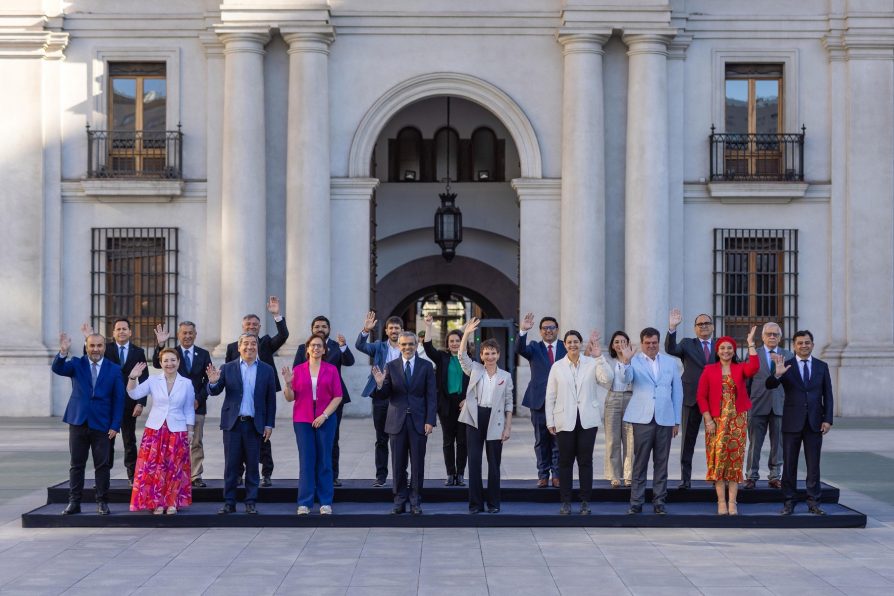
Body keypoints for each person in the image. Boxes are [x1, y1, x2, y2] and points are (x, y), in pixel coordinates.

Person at [52, 331, 125, 515]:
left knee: (102, 465)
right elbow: (58, 369)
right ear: (86, 346)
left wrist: (115, 425)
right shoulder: (77, 364)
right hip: (78, 422)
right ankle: (74, 502)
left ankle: (102, 502)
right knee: (76, 464)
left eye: (99, 345)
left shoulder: (114, 369)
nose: (95, 349)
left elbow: (119, 400)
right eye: (92, 345)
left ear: (104, 347)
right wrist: (62, 352)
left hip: (102, 425)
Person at [766, 330, 834, 516]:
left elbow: (828, 395)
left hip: (814, 423)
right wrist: (777, 374)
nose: (804, 346)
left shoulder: (822, 366)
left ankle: (814, 503)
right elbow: (769, 385)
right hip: (791, 422)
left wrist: (827, 419)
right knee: (789, 465)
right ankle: (789, 502)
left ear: (812, 344)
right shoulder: (785, 366)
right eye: (800, 343)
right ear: (794, 346)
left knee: (813, 465)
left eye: (807, 342)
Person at [208, 333, 277, 515]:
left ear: (257, 347)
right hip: (233, 425)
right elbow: (215, 391)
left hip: (255, 425)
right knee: (231, 465)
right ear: (239, 347)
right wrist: (212, 382)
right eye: (245, 344)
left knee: (253, 465)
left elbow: (271, 400)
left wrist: (269, 424)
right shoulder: (228, 368)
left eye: (253, 343)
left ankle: (250, 501)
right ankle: (229, 502)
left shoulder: (267, 370)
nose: (249, 347)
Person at [370, 331, 437, 515]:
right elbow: (385, 395)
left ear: (417, 345)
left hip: (419, 423)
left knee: (417, 465)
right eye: (404, 344)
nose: (407, 347)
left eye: (411, 344)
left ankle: (415, 501)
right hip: (396, 422)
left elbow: (431, 396)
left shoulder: (426, 366)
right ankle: (399, 500)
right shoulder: (390, 366)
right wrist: (380, 384)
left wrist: (430, 420)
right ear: (399, 346)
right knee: (398, 464)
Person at [224, 296, 288, 487]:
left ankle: (266, 473)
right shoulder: (232, 348)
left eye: (255, 324)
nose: (251, 327)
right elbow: (228, 371)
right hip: (240, 399)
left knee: (263, 437)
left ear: (259, 328)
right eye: (248, 324)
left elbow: (283, 335)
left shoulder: (267, 343)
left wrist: (277, 315)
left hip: (262, 396)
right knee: (240, 441)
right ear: (243, 327)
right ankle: (238, 474)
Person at [546, 330, 612, 515]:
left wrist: (600, 357)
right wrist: (550, 420)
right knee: (565, 462)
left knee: (585, 462)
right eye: (569, 342)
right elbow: (550, 395)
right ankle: (565, 501)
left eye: (576, 341)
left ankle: (585, 501)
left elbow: (607, 379)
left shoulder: (592, 363)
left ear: (581, 344)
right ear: (564, 345)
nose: (573, 345)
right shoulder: (557, 366)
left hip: (587, 420)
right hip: (564, 419)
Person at [620, 327, 683, 515]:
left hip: (665, 418)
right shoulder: (634, 361)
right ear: (642, 343)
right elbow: (625, 380)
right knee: (639, 462)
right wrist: (626, 361)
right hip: (642, 418)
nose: (651, 346)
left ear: (658, 342)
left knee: (661, 462)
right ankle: (636, 502)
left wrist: (676, 421)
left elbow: (677, 393)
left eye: (654, 343)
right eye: (647, 343)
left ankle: (659, 501)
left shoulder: (670, 363)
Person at [695, 329, 759, 515]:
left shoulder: (740, 368)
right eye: (722, 348)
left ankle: (733, 502)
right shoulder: (709, 370)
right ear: (717, 351)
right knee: (718, 460)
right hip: (715, 421)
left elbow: (754, 367)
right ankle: (721, 501)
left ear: (734, 350)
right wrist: (708, 419)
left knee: (735, 461)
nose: (726, 351)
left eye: (729, 348)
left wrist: (751, 343)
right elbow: (701, 396)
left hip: (737, 420)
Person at [126, 351, 195, 514]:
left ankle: (172, 503)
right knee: (154, 467)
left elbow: (189, 408)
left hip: (177, 430)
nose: (169, 364)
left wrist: (190, 431)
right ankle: (156, 502)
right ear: (161, 362)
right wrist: (132, 378)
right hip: (155, 430)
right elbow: (133, 394)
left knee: (174, 467)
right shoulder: (153, 380)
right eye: (165, 361)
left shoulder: (186, 383)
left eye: (173, 360)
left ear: (178, 362)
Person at [82, 318, 149, 486]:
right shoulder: (107, 349)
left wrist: (141, 402)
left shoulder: (138, 352)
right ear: (113, 333)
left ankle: (132, 475)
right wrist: (87, 342)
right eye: (118, 329)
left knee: (129, 440)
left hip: (129, 404)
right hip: (107, 404)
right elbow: (90, 361)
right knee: (106, 441)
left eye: (124, 328)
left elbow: (145, 379)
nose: (121, 331)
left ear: (130, 332)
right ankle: (104, 476)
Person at [456, 318, 513, 513]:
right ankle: (475, 504)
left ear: (498, 355)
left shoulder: (505, 376)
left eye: (493, 353)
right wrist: (466, 334)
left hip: (495, 420)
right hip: (474, 417)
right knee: (474, 462)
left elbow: (508, 403)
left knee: (494, 465)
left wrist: (508, 427)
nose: (490, 356)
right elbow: (461, 355)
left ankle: (493, 504)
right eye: (486, 353)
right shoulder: (475, 370)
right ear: (481, 355)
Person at [282, 334, 343, 515]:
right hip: (303, 418)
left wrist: (324, 415)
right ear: (307, 349)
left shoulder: (331, 369)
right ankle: (305, 503)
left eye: (319, 346)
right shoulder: (298, 370)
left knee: (324, 460)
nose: (316, 348)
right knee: (307, 461)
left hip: (325, 418)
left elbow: (338, 396)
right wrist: (288, 384)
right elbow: (290, 398)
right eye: (312, 345)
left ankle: (325, 502)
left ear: (324, 350)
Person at [292, 316, 355, 487]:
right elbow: (296, 371)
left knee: (332, 438)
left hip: (333, 400)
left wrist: (344, 347)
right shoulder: (302, 348)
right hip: (308, 401)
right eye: (317, 326)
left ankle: (332, 475)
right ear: (312, 329)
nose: (321, 328)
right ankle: (310, 476)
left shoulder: (336, 346)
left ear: (329, 329)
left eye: (324, 326)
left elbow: (350, 362)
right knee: (309, 444)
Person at [152, 321, 212, 488]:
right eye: (184, 333)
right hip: (174, 407)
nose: (187, 336)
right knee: (174, 442)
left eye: (190, 333)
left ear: (195, 334)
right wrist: (161, 345)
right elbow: (157, 363)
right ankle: (175, 474)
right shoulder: (172, 353)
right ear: (178, 335)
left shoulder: (203, 354)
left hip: (196, 406)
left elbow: (208, 380)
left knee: (196, 441)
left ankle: (195, 475)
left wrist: (199, 399)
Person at [665, 309, 716, 490]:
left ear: (713, 327)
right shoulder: (687, 344)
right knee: (688, 440)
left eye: (707, 323)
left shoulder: (721, 345)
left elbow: (736, 364)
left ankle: (715, 476)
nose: (703, 326)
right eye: (700, 324)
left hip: (715, 399)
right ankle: (685, 479)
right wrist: (672, 328)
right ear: (695, 329)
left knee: (716, 441)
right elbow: (671, 349)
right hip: (691, 398)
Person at [356, 312, 404, 487]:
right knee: (381, 438)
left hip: (400, 397)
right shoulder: (378, 347)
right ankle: (381, 476)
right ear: (386, 330)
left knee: (400, 439)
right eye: (391, 328)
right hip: (380, 395)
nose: (394, 331)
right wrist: (365, 330)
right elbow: (360, 346)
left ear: (402, 330)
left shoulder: (407, 348)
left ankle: (401, 476)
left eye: (397, 328)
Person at [517, 312, 565, 488]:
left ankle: (557, 475)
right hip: (538, 401)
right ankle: (543, 475)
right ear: (540, 331)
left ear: (557, 330)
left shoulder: (564, 347)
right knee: (541, 440)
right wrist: (523, 330)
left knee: (558, 441)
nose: (548, 331)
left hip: (561, 402)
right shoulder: (533, 347)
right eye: (545, 328)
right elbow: (519, 349)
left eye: (552, 327)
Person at [422, 314, 470, 486]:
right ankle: (450, 474)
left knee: (463, 441)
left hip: (464, 405)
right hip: (446, 405)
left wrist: (468, 399)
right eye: (451, 341)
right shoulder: (442, 358)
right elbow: (428, 348)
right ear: (448, 344)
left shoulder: (468, 359)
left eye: (457, 340)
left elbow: (476, 383)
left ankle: (461, 474)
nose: (455, 344)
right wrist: (428, 326)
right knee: (448, 440)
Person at [744, 322, 792, 490]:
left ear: (780, 337)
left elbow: (791, 383)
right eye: (769, 334)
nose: (772, 337)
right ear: (762, 336)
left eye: (776, 334)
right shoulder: (753, 354)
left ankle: (775, 476)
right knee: (755, 443)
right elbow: (746, 382)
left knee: (778, 443)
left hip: (780, 405)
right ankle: (751, 475)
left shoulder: (788, 355)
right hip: (757, 405)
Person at [595, 330, 635, 488]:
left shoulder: (634, 360)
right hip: (613, 398)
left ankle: (628, 475)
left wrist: (627, 360)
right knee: (613, 440)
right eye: (617, 342)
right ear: (612, 345)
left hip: (631, 398)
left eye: (623, 341)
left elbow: (632, 379)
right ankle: (615, 475)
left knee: (630, 440)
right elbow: (601, 379)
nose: (620, 344)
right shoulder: (608, 361)